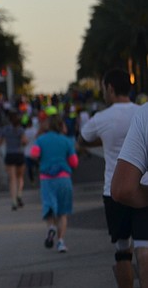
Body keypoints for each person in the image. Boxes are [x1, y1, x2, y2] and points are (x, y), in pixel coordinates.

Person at [80, 68, 144, 287]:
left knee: (122, 251)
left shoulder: (102, 118)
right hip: (143, 187)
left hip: (114, 191)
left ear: (110, 88)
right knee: (145, 248)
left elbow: (83, 139)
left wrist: (104, 141)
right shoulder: (142, 112)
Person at [29, 113, 78, 253]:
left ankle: (51, 227)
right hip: (63, 178)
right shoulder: (67, 141)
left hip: (46, 179)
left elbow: (33, 154)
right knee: (63, 212)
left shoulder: (41, 140)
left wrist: (42, 160)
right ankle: (61, 242)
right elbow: (74, 162)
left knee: (49, 206)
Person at [0, 111, 28, 210]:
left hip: (9, 154)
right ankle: (19, 194)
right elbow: (24, 142)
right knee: (20, 177)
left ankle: (13, 201)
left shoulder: (5, 130)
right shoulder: (20, 130)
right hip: (19, 154)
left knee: (12, 179)